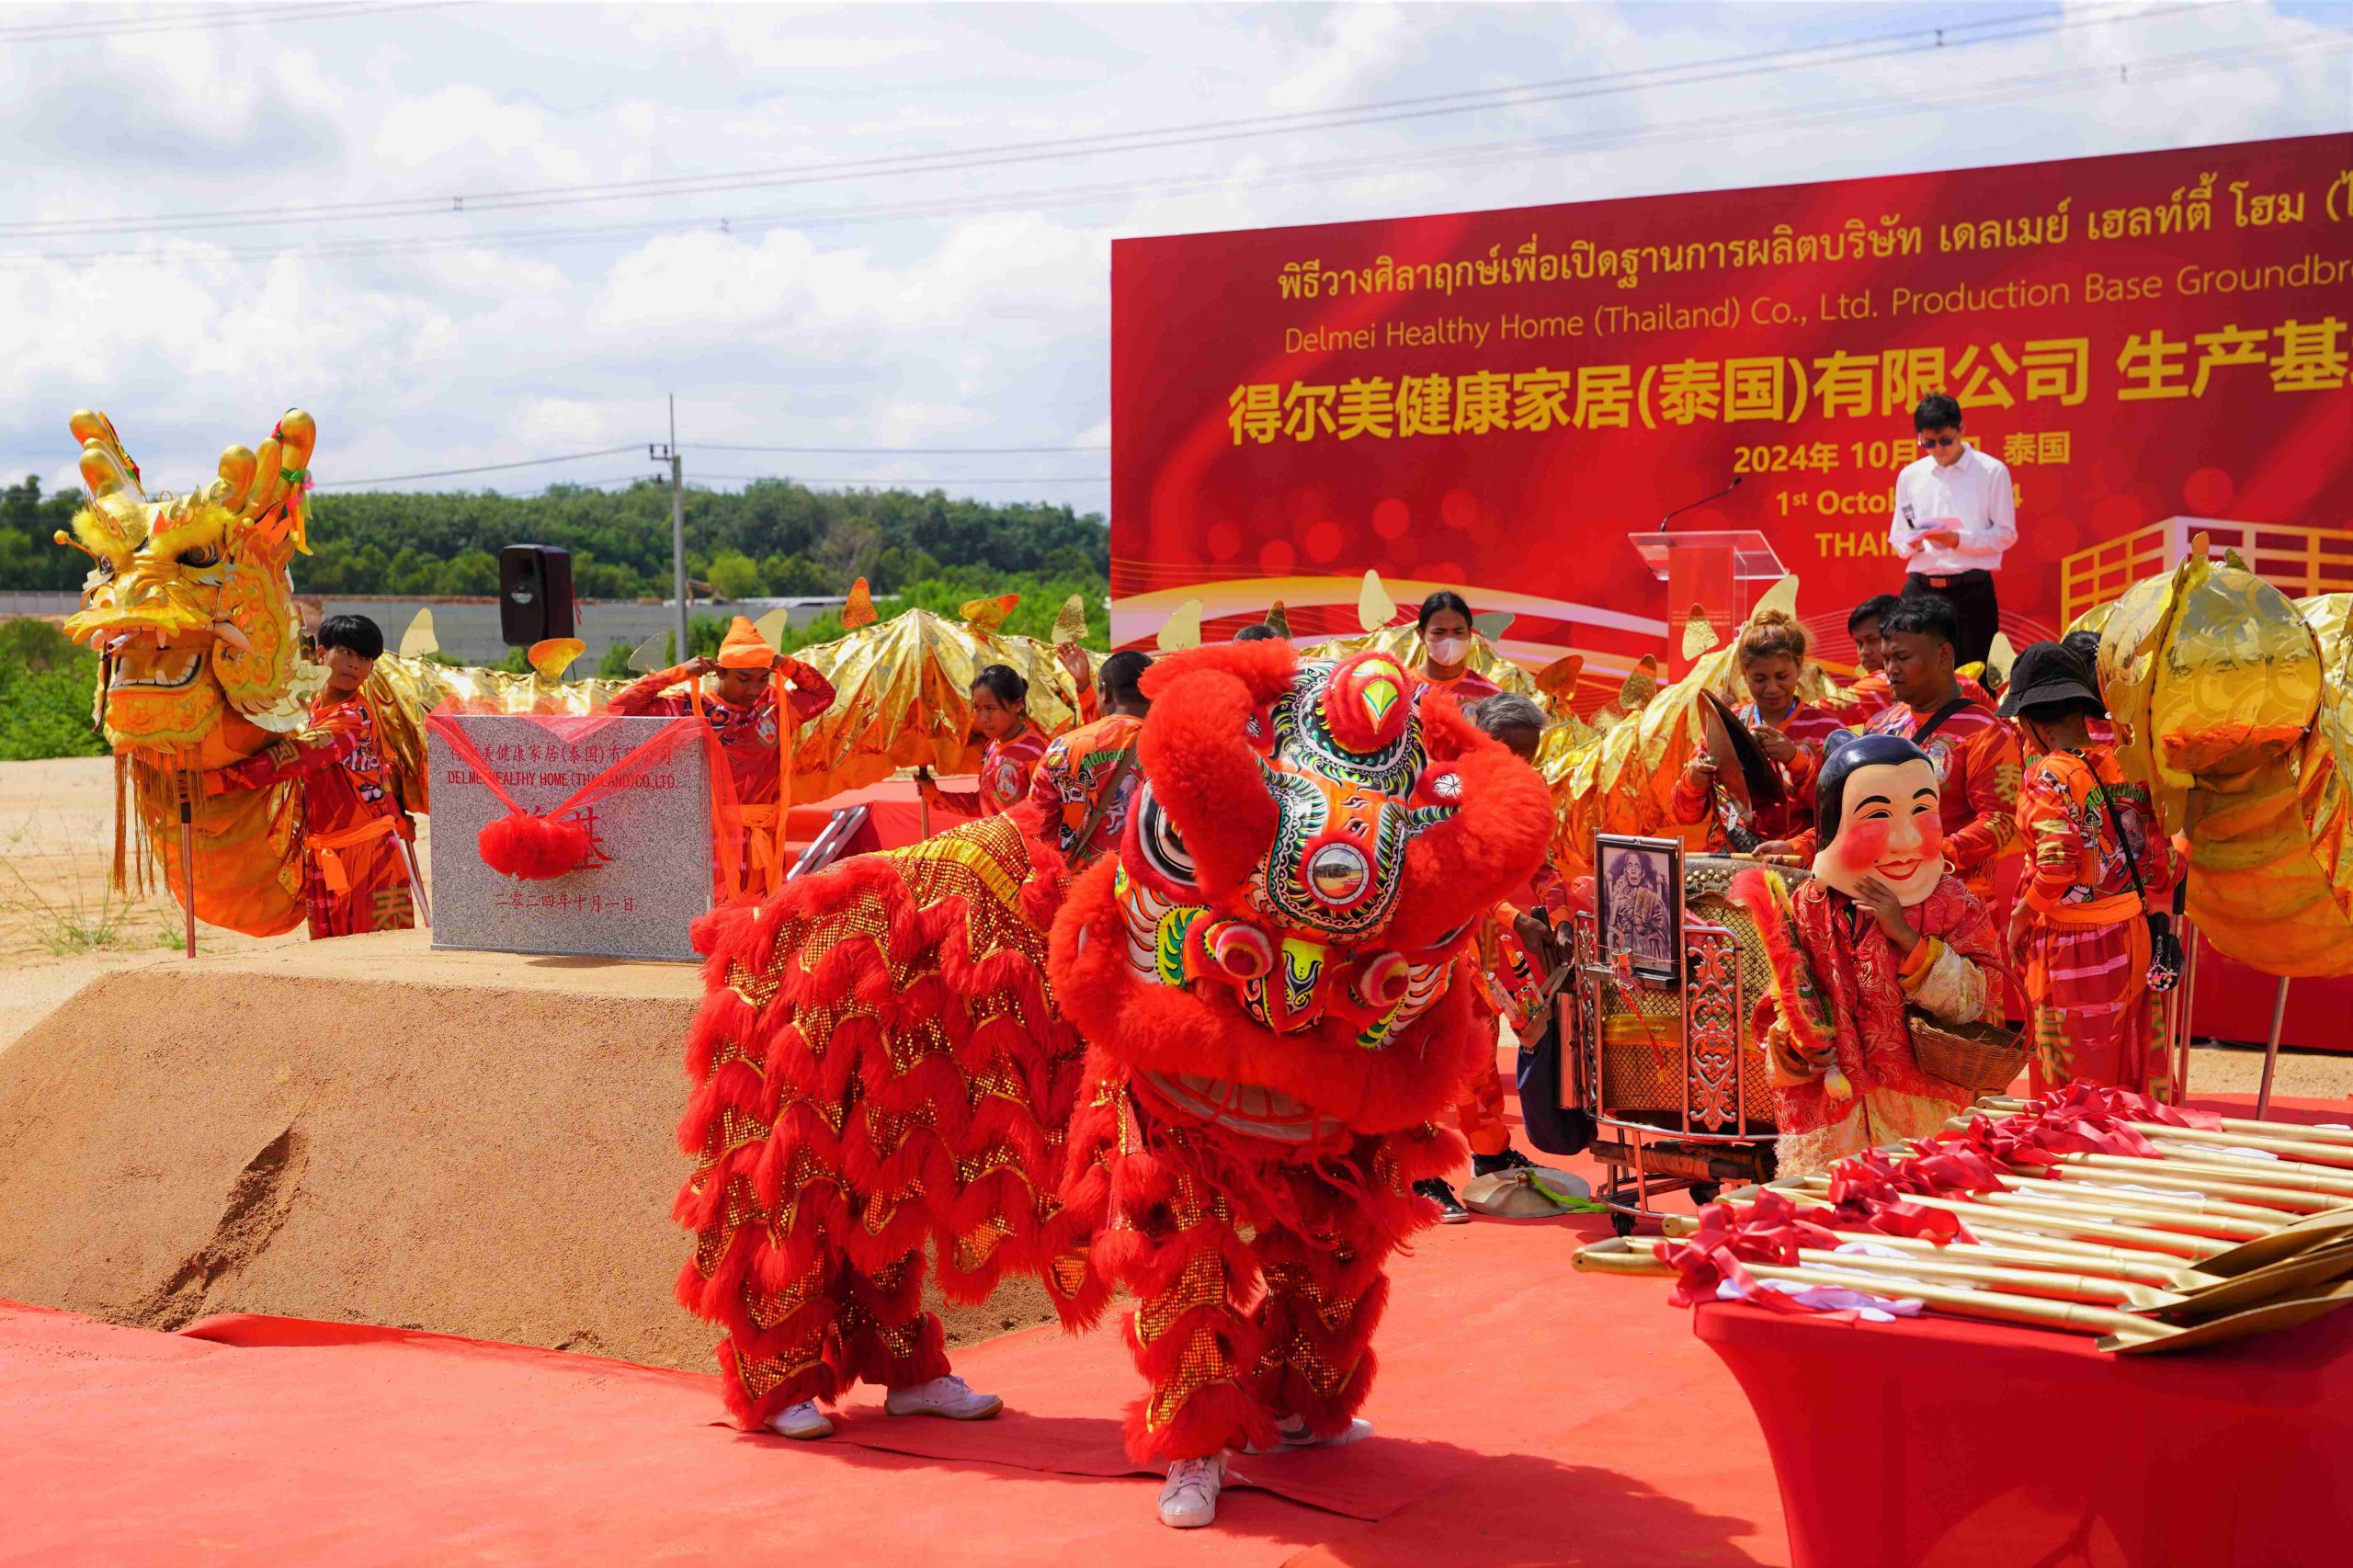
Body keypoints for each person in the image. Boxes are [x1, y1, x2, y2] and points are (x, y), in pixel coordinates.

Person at [1741, 733, 2013, 1176]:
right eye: (1878, 816)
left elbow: (1978, 1003)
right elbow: (1779, 1001)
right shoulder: (1810, 905)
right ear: (1834, 824)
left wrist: (1906, 936)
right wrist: (1797, 1045)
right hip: (1836, 1127)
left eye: (1921, 811)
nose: (1905, 839)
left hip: (1926, 1123)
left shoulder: (1954, 903)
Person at [2000, 642, 2181, 1098]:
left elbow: (2057, 862)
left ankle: (2083, 1158)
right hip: (2133, 935)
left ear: (2034, 724)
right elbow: (2163, 863)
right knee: (2132, 1060)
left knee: (2074, 1081)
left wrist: (2022, 915)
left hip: (2073, 947)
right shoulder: (2126, 762)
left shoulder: (2046, 774)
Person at [1761, 595, 2020, 908]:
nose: (1889, 670)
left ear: (1943, 655)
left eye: (1902, 657)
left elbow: (1999, 822)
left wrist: (1927, 855)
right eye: (1886, 659)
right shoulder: (1881, 725)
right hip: (1876, 902)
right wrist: (1799, 846)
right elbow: (1852, 815)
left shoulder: (1987, 732)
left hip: (1956, 905)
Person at [1418, 694, 1566, 1221]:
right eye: (1510, 753)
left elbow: (1543, 866)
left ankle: (1489, 1154)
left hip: (1494, 955)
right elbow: (1456, 874)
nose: (1520, 766)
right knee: (1434, 1057)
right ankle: (1419, 1173)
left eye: (1529, 755)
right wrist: (1514, 918)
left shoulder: (1524, 793)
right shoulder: (1444, 789)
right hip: (1438, 944)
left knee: (1479, 1057)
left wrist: (1560, 914)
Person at [200, 614, 422, 938]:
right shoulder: (313, 711)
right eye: (346, 652)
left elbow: (296, 757)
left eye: (364, 658)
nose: (354, 664)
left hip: (369, 857)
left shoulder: (350, 717)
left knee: (379, 958)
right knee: (328, 961)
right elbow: (379, 771)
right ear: (321, 655)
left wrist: (218, 781)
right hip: (325, 852)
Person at [608, 615, 836, 892]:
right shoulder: (691, 707)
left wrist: (788, 665)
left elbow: (823, 694)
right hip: (705, 838)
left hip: (759, 840)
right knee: (709, 915)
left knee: (758, 921)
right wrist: (677, 672)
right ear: (720, 672)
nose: (754, 689)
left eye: (763, 678)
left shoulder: (775, 706)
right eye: (743, 678)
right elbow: (620, 710)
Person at [1673, 608, 1844, 848]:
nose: (1772, 688)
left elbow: (1840, 811)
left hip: (1796, 867)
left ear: (1799, 666)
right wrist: (1695, 780)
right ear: (1745, 674)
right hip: (1730, 863)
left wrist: (1795, 759)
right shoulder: (1723, 726)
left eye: (1781, 676)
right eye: (1760, 679)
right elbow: (1685, 815)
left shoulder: (1827, 729)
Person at [1890, 392, 2017, 668]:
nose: (1938, 449)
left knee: (1974, 672)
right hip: (1921, 586)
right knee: (1913, 670)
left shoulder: (1991, 471)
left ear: (1961, 429)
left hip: (1970, 590)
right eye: (1928, 442)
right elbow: (1897, 536)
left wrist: (1957, 539)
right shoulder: (1911, 475)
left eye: (1946, 440)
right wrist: (1913, 543)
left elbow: (2006, 533)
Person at [1024, 649, 1151, 869]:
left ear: (1105, 692)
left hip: (1078, 886)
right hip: (1148, 895)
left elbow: (1036, 824)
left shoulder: (1062, 748)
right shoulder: (1176, 749)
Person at [918, 664, 1051, 818]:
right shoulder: (991, 748)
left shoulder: (1036, 752)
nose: (982, 718)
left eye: (990, 708)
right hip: (993, 838)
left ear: (1017, 706)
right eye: (977, 707)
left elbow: (1046, 815)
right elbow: (983, 804)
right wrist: (933, 793)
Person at [1412, 590, 1502, 705]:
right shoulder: (1401, 689)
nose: (1449, 640)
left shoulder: (1491, 696)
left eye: (1458, 632)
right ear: (1421, 634)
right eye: (1439, 632)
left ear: (1469, 635)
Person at [1826, 593, 1903, 721]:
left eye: (1872, 640)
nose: (1864, 651)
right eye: (1859, 643)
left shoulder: (1887, 682)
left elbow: (1817, 712)